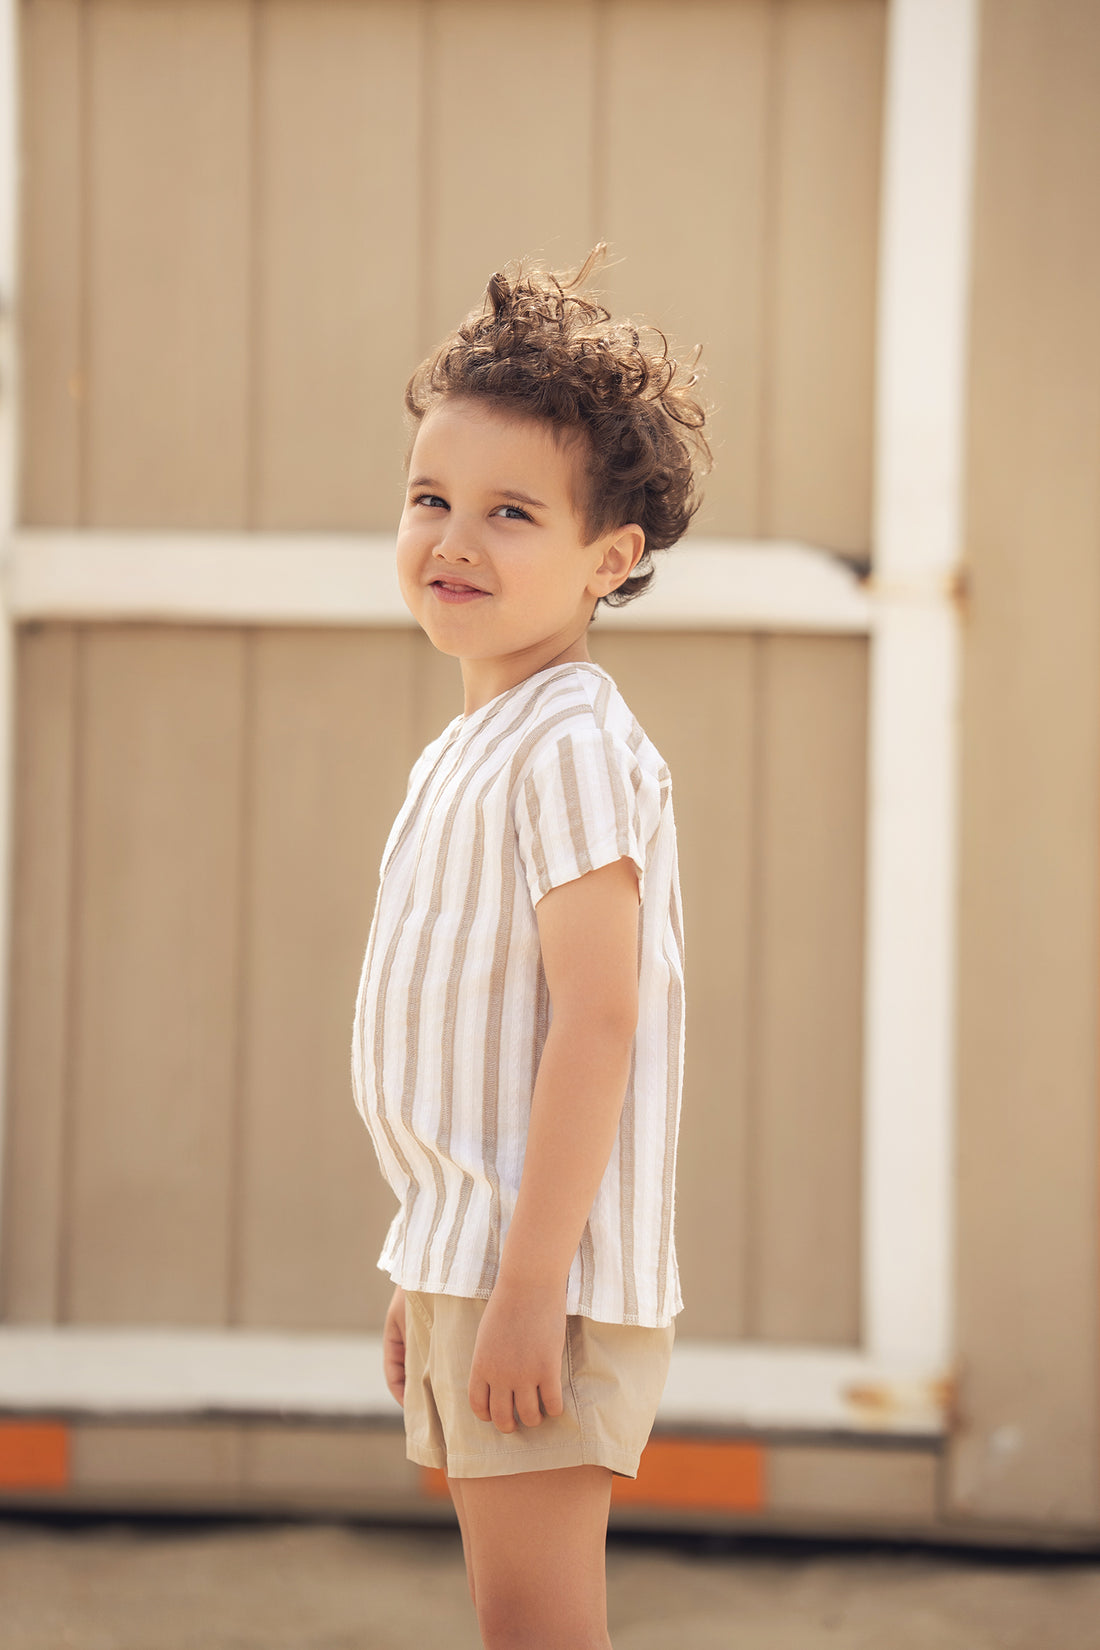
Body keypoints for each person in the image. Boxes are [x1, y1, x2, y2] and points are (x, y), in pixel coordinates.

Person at [350, 244, 709, 1650]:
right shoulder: (477, 742)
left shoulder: (570, 742)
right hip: (483, 1256)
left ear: (607, 560)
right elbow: (468, 1042)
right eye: (431, 497)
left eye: (511, 512)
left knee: (538, 1623)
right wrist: (424, 1253)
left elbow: (597, 1021)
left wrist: (524, 1287)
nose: (454, 538)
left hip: (544, 1279)